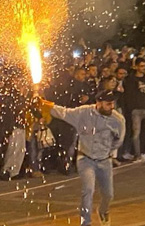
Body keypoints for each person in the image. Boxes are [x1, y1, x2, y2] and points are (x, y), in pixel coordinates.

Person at [38, 90, 125, 226]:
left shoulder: (118, 120)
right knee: (88, 190)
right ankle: (86, 222)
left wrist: (108, 150)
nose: (111, 107)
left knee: (108, 194)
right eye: (108, 104)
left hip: (104, 160)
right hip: (86, 159)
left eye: (112, 103)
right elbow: (64, 113)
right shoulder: (83, 113)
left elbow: (119, 140)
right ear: (99, 103)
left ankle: (103, 210)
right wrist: (47, 106)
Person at [122, 58, 145, 161]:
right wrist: (131, 108)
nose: (143, 68)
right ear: (136, 66)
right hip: (136, 109)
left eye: (144, 66)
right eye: (141, 66)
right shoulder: (131, 80)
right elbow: (129, 95)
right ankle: (137, 154)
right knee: (136, 133)